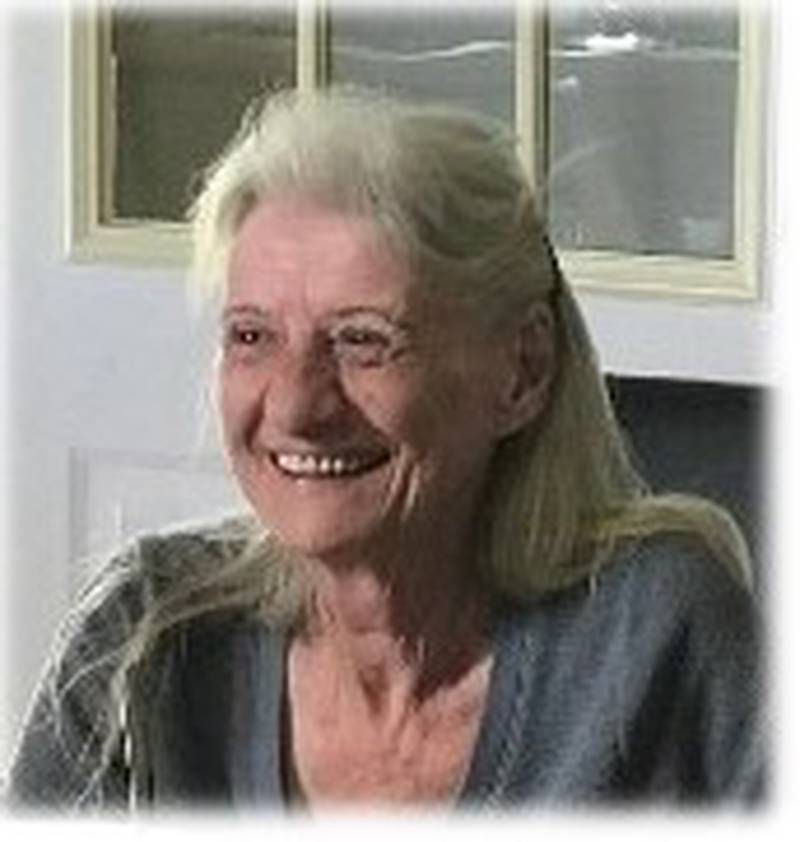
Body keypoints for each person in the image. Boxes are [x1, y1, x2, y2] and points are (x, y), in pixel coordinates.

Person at [5, 88, 763, 811]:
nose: (296, 406)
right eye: (252, 336)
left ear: (522, 371)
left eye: (363, 340)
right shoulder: (143, 639)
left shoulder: (660, 632)